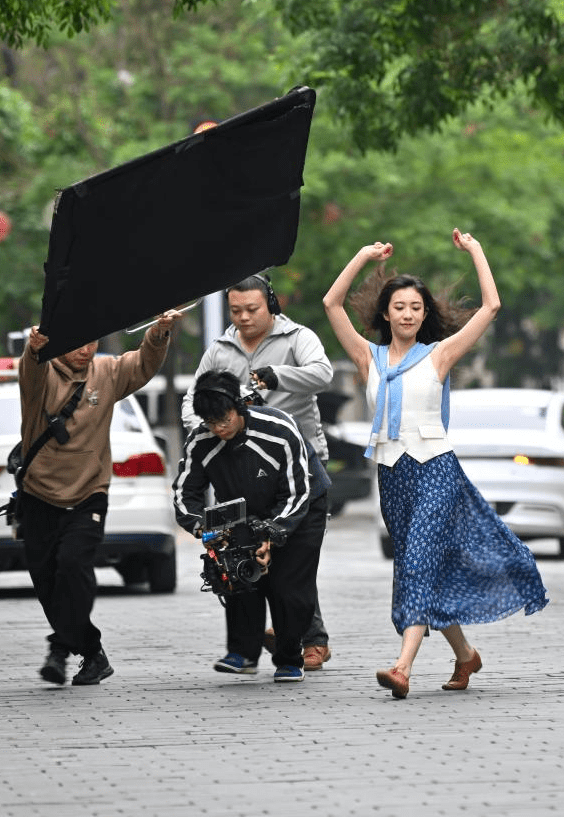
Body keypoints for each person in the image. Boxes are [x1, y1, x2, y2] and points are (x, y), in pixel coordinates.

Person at [323, 230, 548, 698]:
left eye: (416, 308)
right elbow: (331, 303)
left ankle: (402, 668)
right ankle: (466, 655)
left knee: (420, 559)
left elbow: (490, 307)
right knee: (417, 566)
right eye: (399, 306)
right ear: (386, 312)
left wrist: (476, 251)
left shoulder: (439, 354)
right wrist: (363, 256)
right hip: (392, 473)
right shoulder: (369, 358)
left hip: (436, 470)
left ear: (425, 315)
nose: (407, 314)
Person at [181, 273, 334, 670]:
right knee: (241, 558)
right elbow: (196, 394)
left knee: (291, 565)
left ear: (271, 305)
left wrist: (277, 376)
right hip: (239, 463)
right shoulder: (220, 348)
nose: (244, 317)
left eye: (252, 309)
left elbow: (323, 374)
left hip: (300, 462)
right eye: (236, 310)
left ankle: (303, 642)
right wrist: (203, 424)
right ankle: (251, 645)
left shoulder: (296, 337)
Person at [20, 313, 181, 686]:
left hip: (89, 493)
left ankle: (59, 650)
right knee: (48, 584)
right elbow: (29, 372)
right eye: (77, 342)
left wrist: (158, 333)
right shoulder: (41, 373)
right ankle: (92, 653)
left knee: (74, 566)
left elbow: (142, 364)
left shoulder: (106, 372)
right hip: (39, 495)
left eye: (91, 342)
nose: (85, 350)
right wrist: (33, 350)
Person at [174, 370, 330, 683]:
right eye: (210, 422)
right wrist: (203, 529)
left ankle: (289, 657)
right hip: (241, 510)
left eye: (225, 418)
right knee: (236, 573)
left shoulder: (279, 429)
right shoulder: (201, 441)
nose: (219, 428)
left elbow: (297, 492)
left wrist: (272, 534)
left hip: (300, 506)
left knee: (287, 584)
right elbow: (184, 494)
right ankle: (243, 654)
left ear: (239, 407)